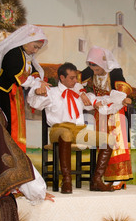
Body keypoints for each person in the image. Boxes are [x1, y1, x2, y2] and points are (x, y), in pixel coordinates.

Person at [27, 62, 112, 193]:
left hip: (78, 131)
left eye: (76, 78)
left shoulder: (79, 92)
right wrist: (38, 93)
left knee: (109, 140)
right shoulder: (52, 92)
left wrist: (98, 103)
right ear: (62, 77)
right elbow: (35, 103)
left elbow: (91, 102)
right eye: (71, 78)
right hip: (58, 129)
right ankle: (66, 180)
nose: (75, 81)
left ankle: (96, 180)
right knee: (66, 134)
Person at [0, 24, 50, 152]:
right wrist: (36, 83)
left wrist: (39, 81)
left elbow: (33, 72)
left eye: (38, 48)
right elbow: (17, 76)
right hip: (3, 95)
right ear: (26, 41)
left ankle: (15, 155)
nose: (35, 51)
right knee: (6, 126)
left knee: (15, 126)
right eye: (35, 47)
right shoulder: (13, 53)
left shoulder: (26, 55)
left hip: (14, 95)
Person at [80, 46, 133, 191]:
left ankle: (120, 177)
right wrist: (83, 93)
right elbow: (77, 81)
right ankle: (106, 176)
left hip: (115, 110)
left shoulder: (115, 72)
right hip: (101, 111)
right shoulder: (90, 70)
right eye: (90, 65)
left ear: (103, 63)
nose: (92, 69)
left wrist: (108, 102)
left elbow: (121, 93)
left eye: (95, 66)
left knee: (117, 143)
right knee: (104, 143)